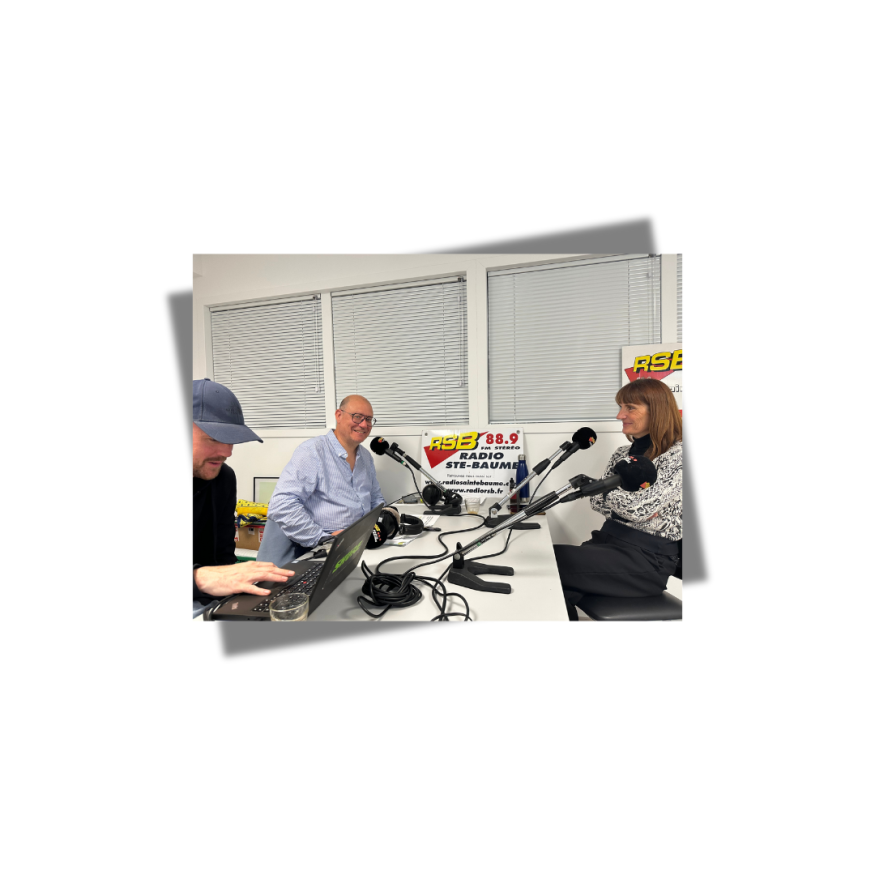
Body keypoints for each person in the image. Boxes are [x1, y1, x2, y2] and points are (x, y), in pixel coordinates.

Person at [553, 378, 682, 620]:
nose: (620, 415)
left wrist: (606, 492)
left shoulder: (678, 456)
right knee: (550, 575)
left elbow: (638, 510)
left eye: (630, 407)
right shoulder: (622, 453)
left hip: (646, 559)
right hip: (607, 542)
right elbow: (598, 503)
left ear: (657, 411)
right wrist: (625, 502)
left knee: (553, 563)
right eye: (621, 407)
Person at [193, 378, 295, 611]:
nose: (227, 452)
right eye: (213, 438)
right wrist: (199, 578)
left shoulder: (223, 478)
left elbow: (223, 558)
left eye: (231, 440)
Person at [257, 395, 385, 567]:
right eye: (357, 417)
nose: (363, 425)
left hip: (356, 547)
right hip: (317, 551)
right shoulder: (313, 452)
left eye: (368, 419)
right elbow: (282, 505)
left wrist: (387, 518)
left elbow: (376, 499)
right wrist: (324, 539)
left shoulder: (366, 458)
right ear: (339, 415)